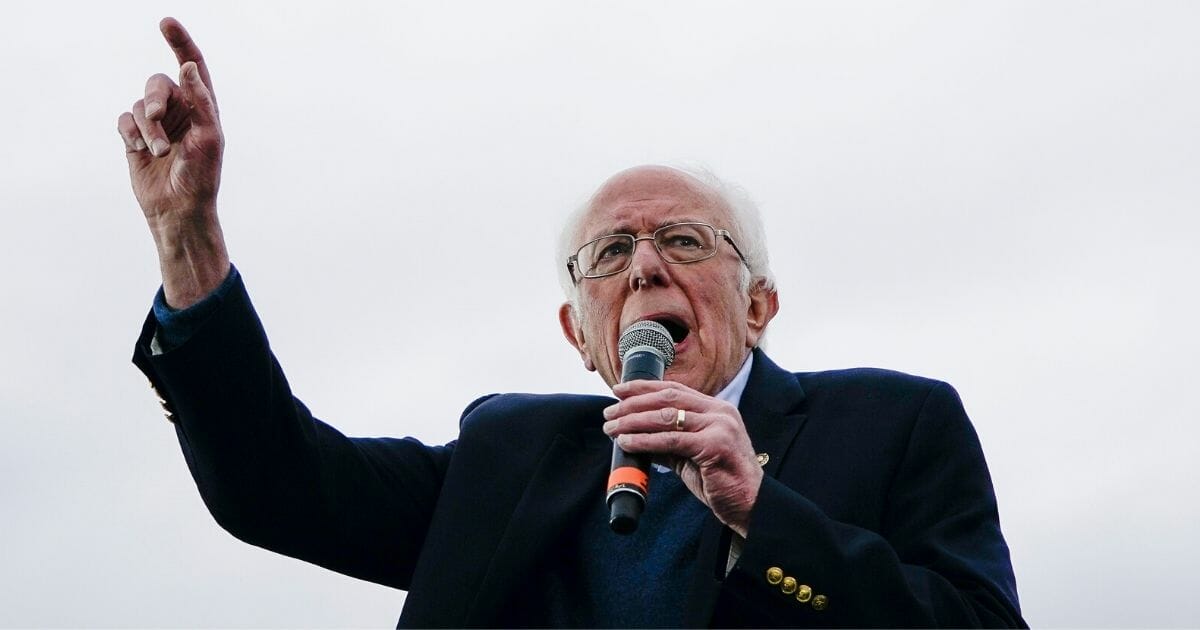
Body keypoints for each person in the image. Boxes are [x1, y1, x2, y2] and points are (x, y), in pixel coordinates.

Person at [119, 17, 1025, 628]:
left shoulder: (898, 424)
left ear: (758, 304)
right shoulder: (505, 450)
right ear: (579, 335)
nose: (643, 265)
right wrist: (186, 236)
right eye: (608, 255)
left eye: (682, 239)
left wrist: (761, 509)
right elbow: (275, 485)